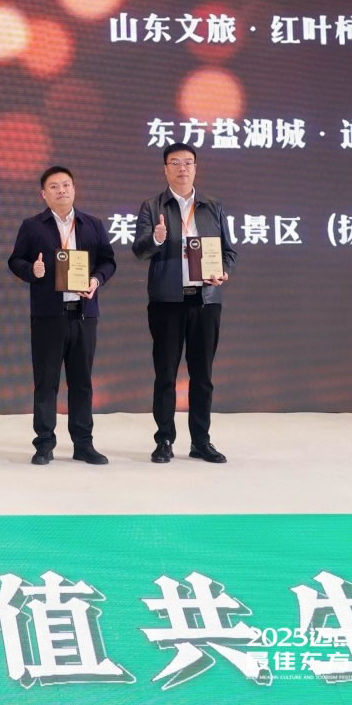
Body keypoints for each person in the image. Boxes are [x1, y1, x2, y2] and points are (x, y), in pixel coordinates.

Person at [130, 142, 237, 464]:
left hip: (206, 301)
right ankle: (164, 440)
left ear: (195, 168)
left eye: (188, 162)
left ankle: (201, 441)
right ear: (165, 169)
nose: (182, 168)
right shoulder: (152, 207)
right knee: (165, 375)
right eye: (175, 163)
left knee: (202, 376)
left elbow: (229, 251)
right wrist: (157, 238)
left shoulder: (213, 206)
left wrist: (223, 272)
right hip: (167, 301)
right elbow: (139, 251)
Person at [8, 166, 117, 466]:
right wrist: (32, 270)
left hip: (84, 315)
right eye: (54, 186)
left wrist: (95, 280)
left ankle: (83, 444)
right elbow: (15, 261)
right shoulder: (33, 226)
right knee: (46, 382)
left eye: (66, 185)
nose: (61, 190)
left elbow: (108, 262)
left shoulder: (92, 224)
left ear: (74, 189)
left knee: (82, 382)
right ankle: (44, 444)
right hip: (48, 316)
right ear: (43, 194)